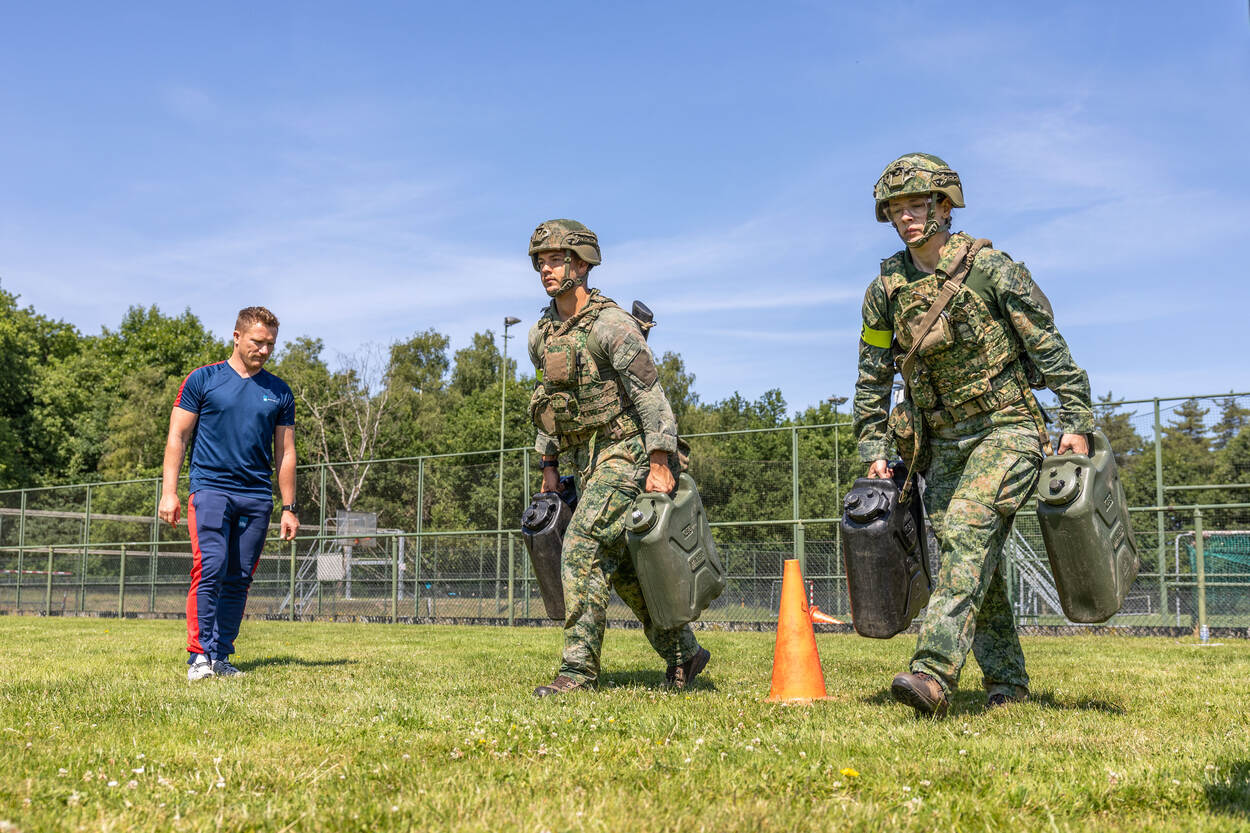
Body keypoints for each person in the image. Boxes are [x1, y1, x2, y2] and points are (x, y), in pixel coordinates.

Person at [852, 154, 1094, 716]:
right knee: (967, 557)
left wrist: (1076, 421)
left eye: (917, 205)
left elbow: (1050, 348)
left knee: (964, 532)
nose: (907, 218)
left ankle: (932, 674)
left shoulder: (991, 269)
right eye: (896, 209)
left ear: (943, 206)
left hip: (1007, 426)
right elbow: (872, 375)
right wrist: (874, 448)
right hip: (939, 442)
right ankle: (1007, 684)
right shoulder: (884, 289)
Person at [525, 218, 710, 697]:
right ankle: (685, 655)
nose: (546, 269)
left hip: (627, 451)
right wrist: (548, 466)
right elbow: (548, 403)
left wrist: (660, 461)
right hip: (589, 459)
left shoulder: (613, 325)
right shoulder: (541, 335)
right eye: (540, 261)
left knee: (582, 544)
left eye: (556, 259)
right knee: (624, 571)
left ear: (582, 264)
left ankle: (577, 672)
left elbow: (651, 397)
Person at [159, 306, 299, 681]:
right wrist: (168, 492)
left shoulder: (279, 391)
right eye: (257, 342)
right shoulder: (203, 380)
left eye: (270, 344)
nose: (264, 350)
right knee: (211, 566)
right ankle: (199, 655)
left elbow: (286, 452)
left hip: (256, 497)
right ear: (236, 337)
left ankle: (220, 655)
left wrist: (289, 507)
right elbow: (178, 436)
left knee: (238, 576)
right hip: (210, 489)